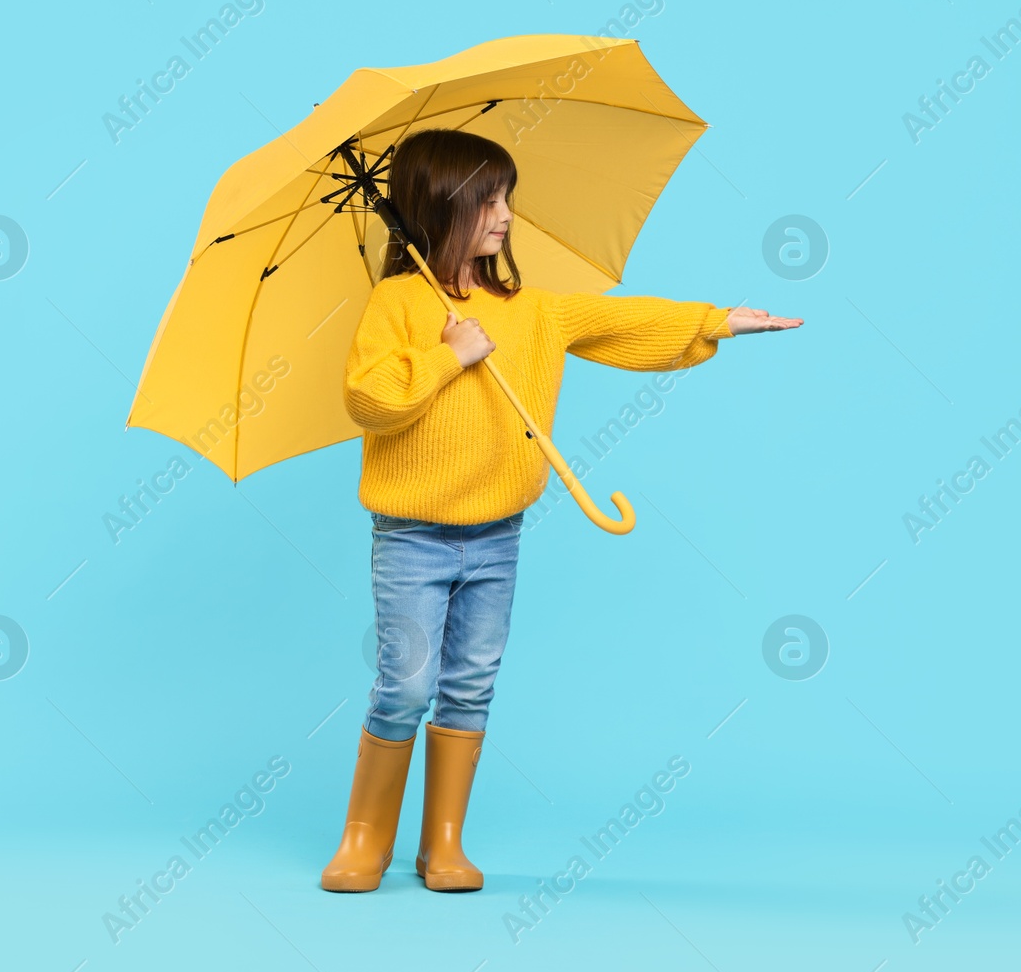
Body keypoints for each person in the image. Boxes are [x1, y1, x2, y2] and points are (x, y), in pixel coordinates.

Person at [319, 128, 802, 893]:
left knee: (471, 682)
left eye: (507, 196)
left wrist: (714, 320)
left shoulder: (530, 310)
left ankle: (443, 843)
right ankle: (363, 840)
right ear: (441, 207)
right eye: (490, 200)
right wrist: (451, 355)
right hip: (412, 537)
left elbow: (617, 321)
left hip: (496, 535)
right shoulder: (399, 304)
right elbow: (370, 399)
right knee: (406, 684)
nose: (506, 215)